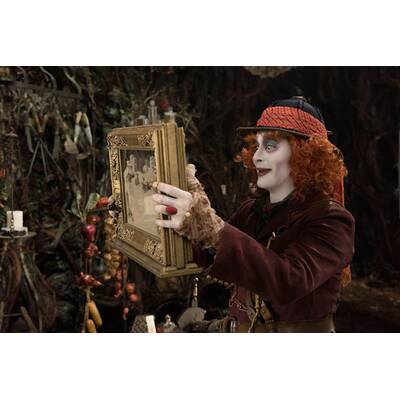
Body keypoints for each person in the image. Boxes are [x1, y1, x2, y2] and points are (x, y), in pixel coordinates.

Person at [152, 97, 355, 333]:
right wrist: (176, 221)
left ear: (305, 154)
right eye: (256, 146)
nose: (256, 156)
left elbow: (288, 282)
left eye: (270, 147)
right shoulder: (251, 210)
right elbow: (211, 254)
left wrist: (212, 228)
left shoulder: (332, 219)